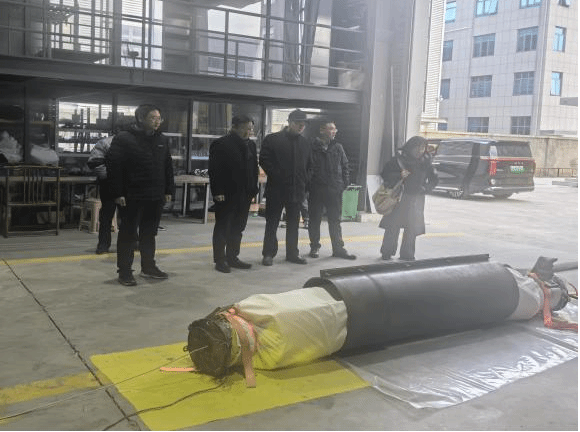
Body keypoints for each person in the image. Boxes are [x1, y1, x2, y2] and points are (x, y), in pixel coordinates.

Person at [106, 104, 175, 286]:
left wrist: (168, 190)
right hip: (132, 195)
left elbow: (167, 166)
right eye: (153, 118)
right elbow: (114, 167)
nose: (157, 122)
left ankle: (148, 267)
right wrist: (117, 193)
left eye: (159, 118)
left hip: (155, 196)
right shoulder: (124, 138)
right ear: (140, 118)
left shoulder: (162, 139)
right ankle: (125, 272)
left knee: (149, 234)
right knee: (128, 234)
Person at [259, 109, 312, 266]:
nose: (301, 126)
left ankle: (292, 254)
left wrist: (305, 180)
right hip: (277, 189)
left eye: (303, 124)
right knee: (272, 223)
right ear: (289, 122)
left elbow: (311, 166)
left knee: (294, 224)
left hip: (297, 190)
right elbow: (264, 160)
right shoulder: (272, 140)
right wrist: (278, 176)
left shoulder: (305, 143)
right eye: (298, 123)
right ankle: (268, 254)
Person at [208, 115, 259, 273]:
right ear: (234, 127)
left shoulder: (251, 145)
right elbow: (214, 169)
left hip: (245, 194)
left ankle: (233, 257)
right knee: (223, 227)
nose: (248, 131)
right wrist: (217, 191)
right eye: (245, 128)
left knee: (238, 227)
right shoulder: (221, 144)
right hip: (227, 194)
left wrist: (253, 189)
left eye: (250, 128)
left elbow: (254, 168)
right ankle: (220, 260)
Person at [379, 136, 438, 261]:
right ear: (410, 147)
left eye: (423, 148)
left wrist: (425, 189)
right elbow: (385, 174)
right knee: (392, 226)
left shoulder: (426, 162)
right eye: (417, 147)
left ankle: (407, 254)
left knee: (411, 228)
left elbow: (434, 179)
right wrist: (398, 175)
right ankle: (387, 252)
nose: (420, 150)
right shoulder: (399, 160)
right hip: (399, 198)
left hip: (416, 200)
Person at [308, 121, 356, 260]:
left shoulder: (338, 147)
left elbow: (345, 166)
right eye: (331, 129)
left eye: (335, 129)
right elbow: (307, 166)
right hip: (316, 189)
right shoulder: (312, 147)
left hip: (334, 190)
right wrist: (309, 185)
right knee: (315, 220)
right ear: (322, 130)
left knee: (335, 220)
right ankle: (314, 247)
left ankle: (338, 249)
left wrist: (343, 184)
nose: (334, 131)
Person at [87, 135, 116, 254]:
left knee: (130, 217)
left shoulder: (105, 142)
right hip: (110, 185)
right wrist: (110, 178)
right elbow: (94, 162)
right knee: (107, 215)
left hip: (125, 185)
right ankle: (104, 244)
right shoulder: (106, 143)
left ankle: (130, 243)